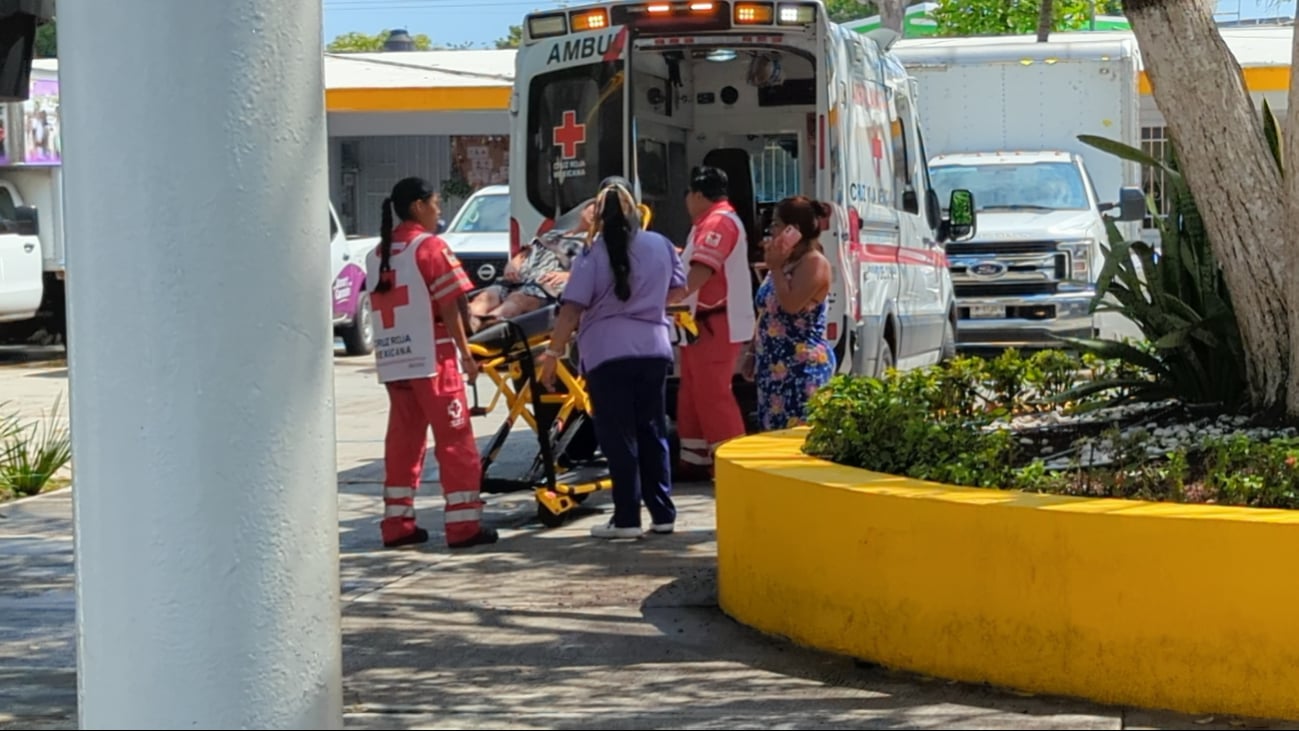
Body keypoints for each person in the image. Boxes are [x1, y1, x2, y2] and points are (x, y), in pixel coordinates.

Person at [537, 178, 686, 539]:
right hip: (652, 348)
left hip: (607, 353)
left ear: (599, 216)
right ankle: (663, 514)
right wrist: (646, 306)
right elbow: (680, 288)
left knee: (618, 438)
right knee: (652, 432)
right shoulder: (660, 245)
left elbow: (572, 309)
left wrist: (553, 354)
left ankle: (626, 519)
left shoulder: (592, 254)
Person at [365, 176, 499, 550]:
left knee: (403, 443)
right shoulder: (431, 248)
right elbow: (448, 304)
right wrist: (466, 352)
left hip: (396, 360)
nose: (439, 211)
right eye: (436, 204)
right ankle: (463, 526)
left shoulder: (377, 254)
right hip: (433, 357)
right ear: (418, 206)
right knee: (455, 441)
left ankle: (397, 524)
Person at [673, 165, 755, 480]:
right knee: (693, 390)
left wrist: (666, 299)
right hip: (697, 323)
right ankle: (695, 458)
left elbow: (703, 270)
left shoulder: (719, 221)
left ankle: (732, 463)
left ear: (696, 194)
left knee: (712, 392)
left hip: (716, 322)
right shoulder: (709, 221)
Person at [742, 195, 835, 430]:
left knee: (794, 439)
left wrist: (774, 267)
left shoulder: (815, 263)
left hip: (800, 371)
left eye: (776, 224)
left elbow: (790, 305)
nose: (771, 229)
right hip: (772, 368)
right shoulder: (783, 264)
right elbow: (767, 312)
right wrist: (752, 352)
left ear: (793, 230)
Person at [467, 199, 595, 331]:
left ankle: (486, 327)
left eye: (601, 212)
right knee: (485, 297)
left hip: (544, 286)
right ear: (583, 210)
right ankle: (468, 325)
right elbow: (527, 250)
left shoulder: (593, 243)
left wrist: (569, 275)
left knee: (517, 300)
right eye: (594, 207)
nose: (596, 213)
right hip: (519, 277)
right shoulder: (553, 233)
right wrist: (514, 263)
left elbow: (596, 271)